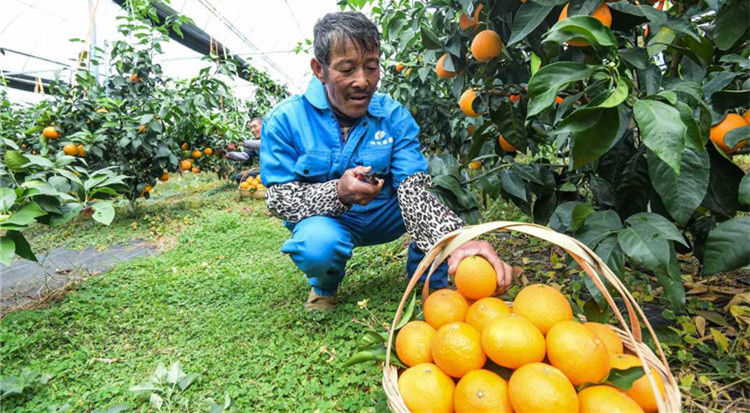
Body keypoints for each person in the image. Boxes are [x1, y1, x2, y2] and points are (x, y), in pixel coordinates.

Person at [260, 12, 513, 311]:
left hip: (387, 214)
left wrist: (459, 239)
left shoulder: (393, 116)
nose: (362, 81)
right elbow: (279, 200)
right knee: (317, 244)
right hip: (331, 222)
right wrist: (338, 192)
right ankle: (324, 287)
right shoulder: (286, 119)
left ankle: (427, 275)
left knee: (439, 195)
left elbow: (413, 188)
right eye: (347, 68)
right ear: (320, 69)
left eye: (371, 67)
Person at [226, 118, 263, 182]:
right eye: (251, 128)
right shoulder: (253, 143)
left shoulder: (271, 137)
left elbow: (261, 144)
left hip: (280, 172)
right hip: (265, 172)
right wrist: (229, 155)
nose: (252, 130)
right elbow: (245, 156)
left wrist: (239, 143)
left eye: (255, 127)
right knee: (240, 177)